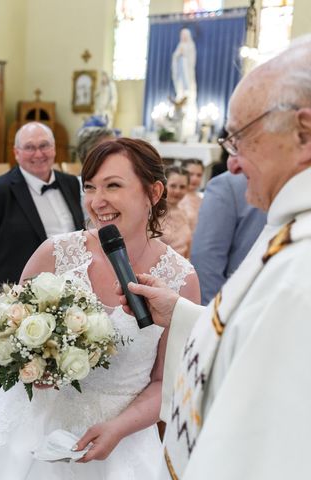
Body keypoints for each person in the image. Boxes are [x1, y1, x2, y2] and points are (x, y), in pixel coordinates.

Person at [0, 138, 200, 479]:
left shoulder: (180, 279)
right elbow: (10, 333)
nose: (97, 202)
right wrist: (34, 367)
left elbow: (163, 382)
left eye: (113, 186)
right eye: (90, 187)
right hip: (33, 429)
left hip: (121, 440)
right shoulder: (54, 254)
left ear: (153, 193)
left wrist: (118, 427)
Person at [120, 37, 311, 479]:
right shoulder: (288, 226)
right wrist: (182, 315)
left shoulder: (302, 268)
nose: (233, 165)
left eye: (240, 139)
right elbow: (252, 334)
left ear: (303, 134)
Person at [0, 122, 84, 408]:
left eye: (44, 145)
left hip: (64, 304)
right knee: (2, 386)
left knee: (54, 384)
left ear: (54, 149)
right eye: (30, 147)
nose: (38, 153)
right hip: (13, 307)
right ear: (16, 152)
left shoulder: (71, 185)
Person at [190, 171, 266, 304]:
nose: (233, 164)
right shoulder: (229, 185)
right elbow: (206, 257)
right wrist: (215, 314)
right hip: (240, 303)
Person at [160, 166, 192, 257]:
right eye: (173, 186)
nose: (177, 191)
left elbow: (187, 247)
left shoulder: (184, 213)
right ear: (163, 185)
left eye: (182, 187)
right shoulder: (153, 214)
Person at [179, 158, 204, 231]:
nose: (195, 178)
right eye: (191, 174)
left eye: (199, 175)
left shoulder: (203, 199)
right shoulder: (176, 199)